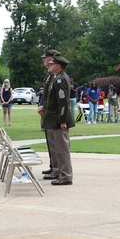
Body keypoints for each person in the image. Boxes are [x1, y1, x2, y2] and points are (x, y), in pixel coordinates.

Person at [40, 55, 75, 185]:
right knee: (58, 149)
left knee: (62, 149)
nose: (50, 65)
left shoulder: (60, 80)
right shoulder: (56, 78)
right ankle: (61, 173)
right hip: (55, 119)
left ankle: (66, 176)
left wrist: (63, 120)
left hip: (59, 119)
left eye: (53, 64)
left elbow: (63, 102)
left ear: (58, 66)